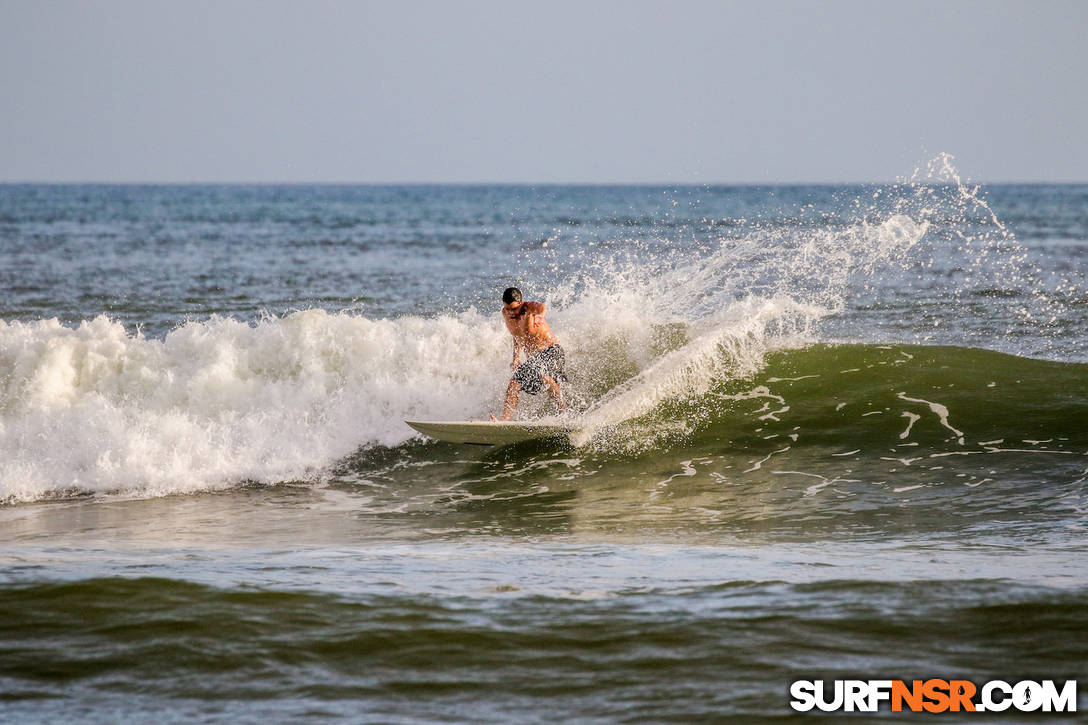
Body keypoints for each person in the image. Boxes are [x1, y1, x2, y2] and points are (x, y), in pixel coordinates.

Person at [492, 287, 567, 420]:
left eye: (514, 309)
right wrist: (515, 358)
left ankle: (564, 414)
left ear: (521, 303)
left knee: (519, 381)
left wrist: (540, 316)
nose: (511, 312)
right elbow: (516, 336)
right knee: (537, 380)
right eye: (507, 308)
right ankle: (565, 413)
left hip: (552, 351)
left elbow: (542, 307)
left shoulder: (529, 308)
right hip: (536, 359)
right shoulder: (506, 313)